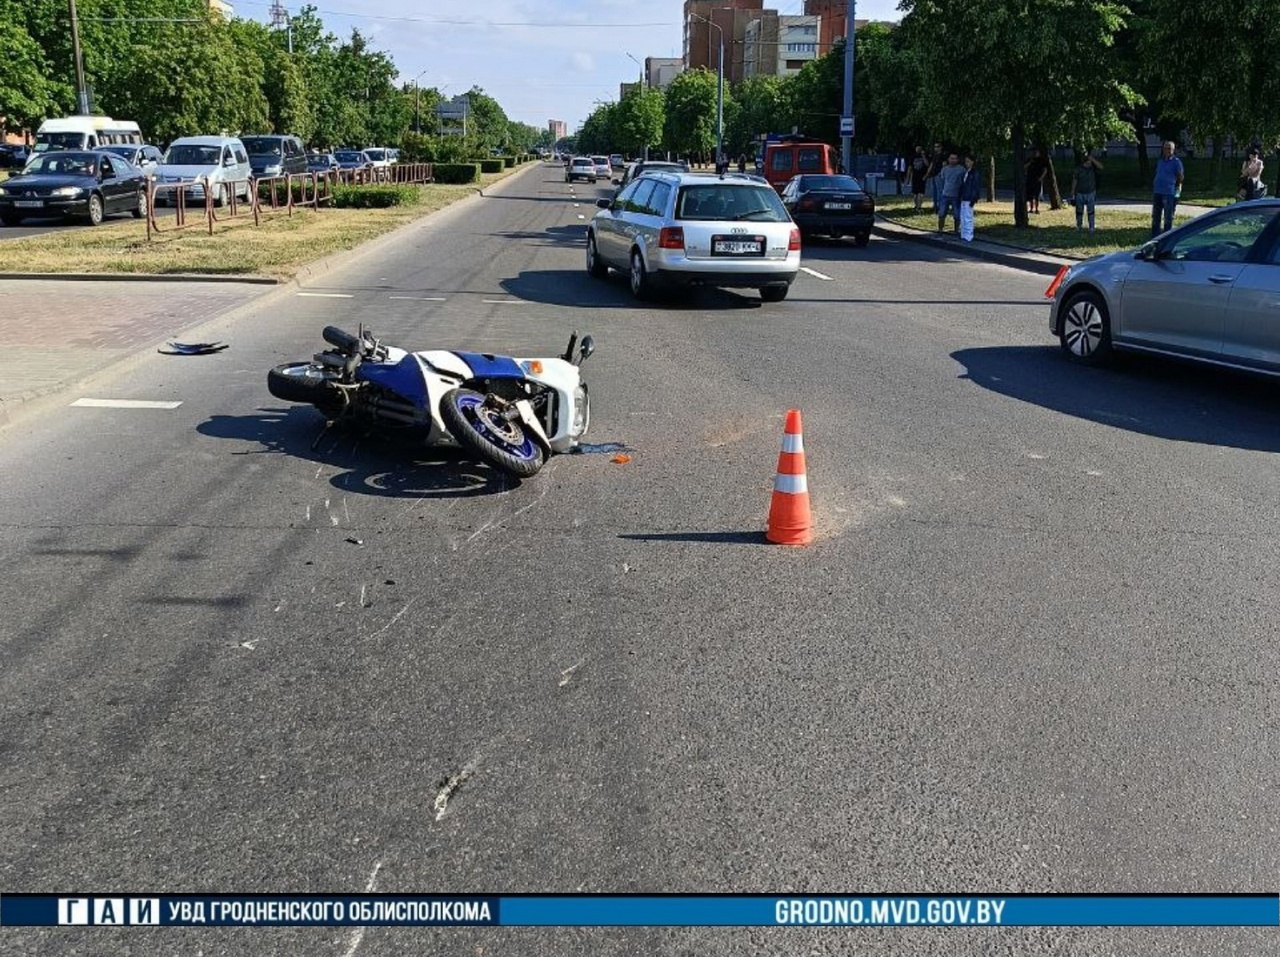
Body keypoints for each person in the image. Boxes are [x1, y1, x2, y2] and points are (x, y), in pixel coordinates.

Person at [1151, 140, 1185, 237]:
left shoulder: (1176, 162)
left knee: (1168, 216)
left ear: (1173, 150)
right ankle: (1155, 236)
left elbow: (1181, 177)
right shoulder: (1160, 161)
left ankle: (1166, 236)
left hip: (1169, 192)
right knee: (1156, 216)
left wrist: (1177, 190)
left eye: (1169, 148)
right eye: (1165, 148)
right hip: (1157, 191)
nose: (1167, 150)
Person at [1069, 150, 1104, 234]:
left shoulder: (1093, 167)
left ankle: (1091, 227)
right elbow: (1075, 180)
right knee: (1079, 211)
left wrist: (1093, 160)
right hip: (1080, 192)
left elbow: (1101, 167)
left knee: (1091, 211)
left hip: (1091, 191)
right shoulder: (1078, 169)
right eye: (1088, 162)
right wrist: (1072, 191)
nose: (1089, 164)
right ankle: (1079, 225)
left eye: (1090, 162)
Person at [937, 153, 964, 234]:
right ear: (948, 159)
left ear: (958, 160)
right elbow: (942, 181)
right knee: (942, 213)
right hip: (945, 195)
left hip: (956, 196)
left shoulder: (961, 169)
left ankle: (956, 230)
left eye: (955, 158)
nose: (953, 160)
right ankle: (940, 229)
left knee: (956, 215)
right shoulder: (945, 169)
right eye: (952, 158)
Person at [958, 152, 982, 241]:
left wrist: (974, 198)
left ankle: (968, 235)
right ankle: (963, 234)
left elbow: (976, 187)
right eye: (965, 161)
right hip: (964, 197)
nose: (966, 163)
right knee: (963, 216)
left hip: (969, 197)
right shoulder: (966, 172)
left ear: (972, 162)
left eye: (968, 161)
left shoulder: (974, 173)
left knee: (968, 217)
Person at [1024, 147, 1049, 214]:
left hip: (1037, 180)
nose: (1034, 153)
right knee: (1030, 195)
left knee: (1037, 195)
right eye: (1033, 152)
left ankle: (1037, 209)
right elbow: (1024, 167)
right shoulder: (1029, 159)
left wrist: (1041, 178)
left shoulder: (1041, 160)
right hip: (1030, 179)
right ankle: (1031, 208)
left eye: (1036, 152)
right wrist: (1030, 162)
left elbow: (1045, 170)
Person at [924, 142, 945, 213]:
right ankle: (935, 206)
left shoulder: (942, 155)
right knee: (934, 192)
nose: (936, 148)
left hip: (938, 175)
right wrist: (927, 174)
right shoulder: (934, 155)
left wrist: (942, 174)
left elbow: (944, 165)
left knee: (940, 192)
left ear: (941, 147)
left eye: (938, 146)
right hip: (933, 175)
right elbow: (931, 165)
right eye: (935, 147)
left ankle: (940, 207)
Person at [910, 146, 929, 211]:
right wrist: (909, 177)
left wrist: (923, 156)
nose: (918, 150)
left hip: (922, 176)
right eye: (917, 149)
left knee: (921, 193)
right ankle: (916, 205)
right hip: (915, 176)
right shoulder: (913, 156)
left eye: (920, 149)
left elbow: (927, 165)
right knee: (914, 194)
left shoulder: (924, 157)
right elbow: (910, 167)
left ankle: (919, 207)